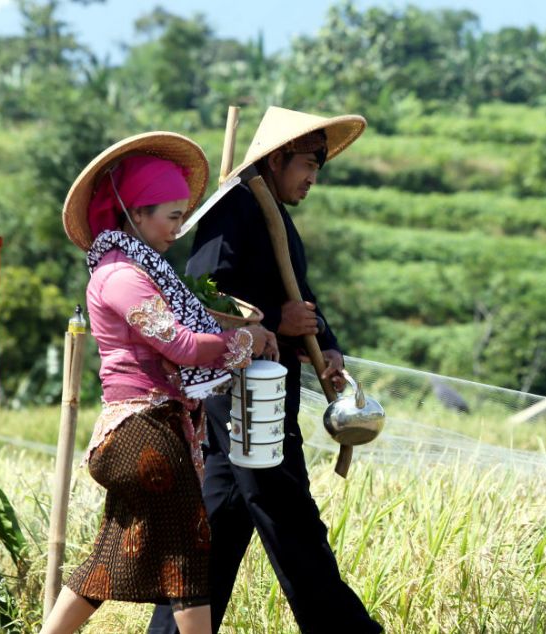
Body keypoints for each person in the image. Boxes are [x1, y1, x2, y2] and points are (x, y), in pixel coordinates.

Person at [148, 107, 382, 633]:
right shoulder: (233, 211)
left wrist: (327, 343)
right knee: (293, 523)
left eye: (321, 163)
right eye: (309, 162)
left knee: (216, 532)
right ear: (277, 158)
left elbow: (300, 300)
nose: (314, 176)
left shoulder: (275, 216)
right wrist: (277, 320)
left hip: (262, 394)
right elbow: (202, 301)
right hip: (244, 398)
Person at [42, 132, 278, 634]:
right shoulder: (121, 277)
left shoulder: (140, 270)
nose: (177, 229)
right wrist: (246, 342)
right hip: (143, 429)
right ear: (137, 213)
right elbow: (184, 348)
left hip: (147, 430)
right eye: (171, 217)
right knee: (190, 553)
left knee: (105, 563)